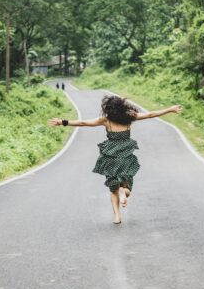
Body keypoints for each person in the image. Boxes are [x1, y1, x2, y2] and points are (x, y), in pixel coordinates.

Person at [47, 95, 182, 224]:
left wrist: (62, 122)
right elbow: (151, 114)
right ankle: (124, 191)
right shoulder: (130, 116)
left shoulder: (105, 120)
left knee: (113, 189)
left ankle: (117, 216)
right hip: (126, 155)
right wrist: (170, 109)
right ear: (123, 106)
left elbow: (83, 122)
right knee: (126, 187)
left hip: (110, 156)